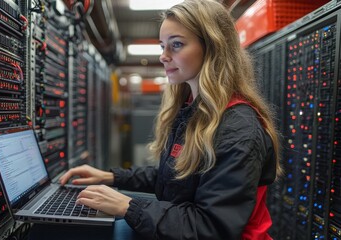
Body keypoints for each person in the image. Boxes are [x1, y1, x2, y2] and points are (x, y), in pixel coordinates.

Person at [59, 0, 283, 239]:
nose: (164, 56)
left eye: (176, 45)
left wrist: (128, 206)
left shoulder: (237, 127)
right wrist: (112, 177)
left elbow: (211, 227)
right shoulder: (195, 110)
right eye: (162, 46)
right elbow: (175, 178)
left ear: (212, 47)